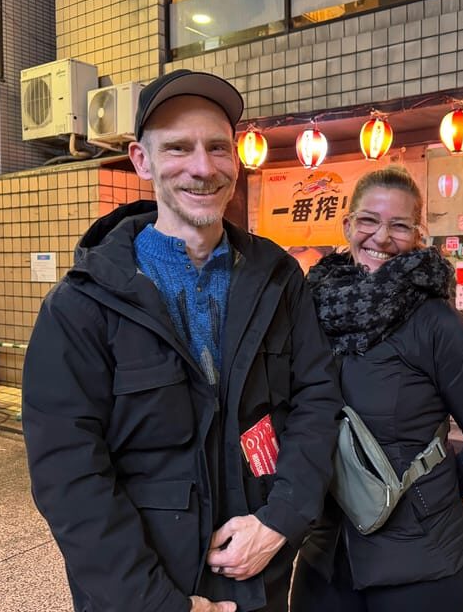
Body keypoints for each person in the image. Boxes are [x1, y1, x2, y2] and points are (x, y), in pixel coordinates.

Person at [22, 70, 343, 612]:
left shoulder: (277, 277)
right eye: (178, 147)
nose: (203, 167)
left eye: (218, 147)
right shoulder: (82, 304)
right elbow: (69, 475)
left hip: (255, 575)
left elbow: (317, 400)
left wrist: (280, 521)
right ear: (141, 160)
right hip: (143, 589)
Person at [289, 166, 463, 612]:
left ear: (418, 235)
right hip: (325, 551)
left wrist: (425, 496)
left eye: (399, 225)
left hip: (421, 564)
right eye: (368, 221)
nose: (381, 237)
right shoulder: (311, 307)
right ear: (347, 226)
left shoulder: (436, 324)